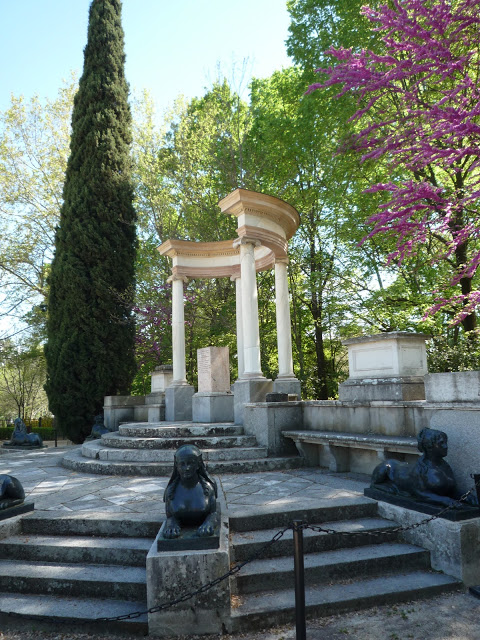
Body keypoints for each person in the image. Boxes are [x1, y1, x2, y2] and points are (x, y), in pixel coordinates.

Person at [371, 427, 477, 507]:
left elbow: (450, 490)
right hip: (393, 469)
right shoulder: (420, 471)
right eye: (441, 443)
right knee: (387, 466)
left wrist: (469, 498)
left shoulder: (445, 466)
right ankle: (378, 485)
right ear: (429, 447)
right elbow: (421, 494)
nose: (446, 446)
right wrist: (446, 501)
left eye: (445, 442)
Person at [163, 444, 218, 538]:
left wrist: (209, 522)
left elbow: (213, 513)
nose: (186, 468)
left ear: (198, 464)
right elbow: (170, 516)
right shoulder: (170, 492)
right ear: (177, 466)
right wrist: (171, 524)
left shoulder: (208, 489)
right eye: (182, 464)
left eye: (190, 463)